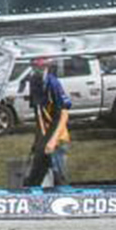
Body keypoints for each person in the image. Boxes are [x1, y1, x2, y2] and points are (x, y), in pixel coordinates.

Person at [22, 58, 71, 186]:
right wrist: (38, 140)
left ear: (47, 67)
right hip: (43, 139)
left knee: (60, 178)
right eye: (35, 67)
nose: (37, 70)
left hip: (57, 140)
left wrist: (52, 141)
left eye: (41, 67)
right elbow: (39, 114)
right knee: (34, 178)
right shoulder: (34, 83)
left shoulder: (53, 84)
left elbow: (63, 114)